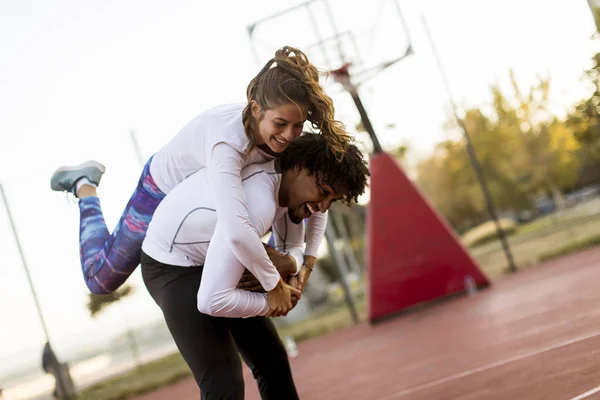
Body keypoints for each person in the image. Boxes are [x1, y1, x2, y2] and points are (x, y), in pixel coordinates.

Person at [49, 46, 351, 317]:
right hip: (161, 191)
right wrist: (274, 284)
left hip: (199, 206)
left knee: (268, 250)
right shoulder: (227, 143)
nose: (288, 135)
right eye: (280, 124)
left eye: (297, 126)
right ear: (256, 109)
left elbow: (320, 195)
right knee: (102, 279)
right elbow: (236, 228)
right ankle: (85, 186)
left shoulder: (285, 145)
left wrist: (299, 264)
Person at [141, 133, 369, 399]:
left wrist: (289, 262)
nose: (322, 207)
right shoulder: (258, 202)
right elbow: (212, 300)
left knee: (272, 361)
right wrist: (275, 300)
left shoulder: (290, 190)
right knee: (224, 382)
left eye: (332, 200)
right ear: (299, 168)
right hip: (173, 265)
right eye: (324, 193)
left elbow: (292, 249)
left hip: (213, 255)